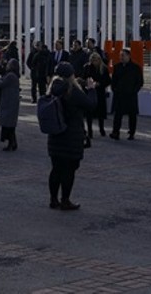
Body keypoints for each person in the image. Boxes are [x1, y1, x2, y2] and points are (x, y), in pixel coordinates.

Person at [46, 61, 97, 211]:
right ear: (71, 75)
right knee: (69, 170)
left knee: (56, 169)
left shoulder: (52, 90)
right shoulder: (72, 91)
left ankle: (53, 199)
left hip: (55, 135)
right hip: (72, 136)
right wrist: (92, 89)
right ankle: (65, 200)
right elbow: (91, 105)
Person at [110, 48, 144, 141]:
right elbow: (113, 80)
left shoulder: (136, 68)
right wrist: (114, 89)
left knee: (132, 115)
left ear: (129, 56)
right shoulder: (117, 67)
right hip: (119, 95)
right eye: (120, 55)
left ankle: (132, 132)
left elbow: (140, 82)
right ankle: (115, 132)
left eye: (123, 55)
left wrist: (134, 91)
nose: (121, 57)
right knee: (117, 115)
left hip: (131, 95)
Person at [83, 52, 111, 143]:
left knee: (100, 112)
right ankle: (90, 131)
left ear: (99, 60)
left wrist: (100, 84)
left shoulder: (104, 68)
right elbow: (83, 78)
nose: (94, 62)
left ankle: (101, 129)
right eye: (92, 60)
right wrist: (87, 83)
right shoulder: (86, 67)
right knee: (89, 113)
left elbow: (108, 80)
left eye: (96, 60)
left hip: (99, 92)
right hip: (89, 92)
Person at [0, 59, 21, 151]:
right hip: (12, 101)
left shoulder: (10, 76)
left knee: (8, 124)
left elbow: (1, 84)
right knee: (10, 125)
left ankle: (11, 143)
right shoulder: (14, 76)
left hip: (9, 101)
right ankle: (13, 143)